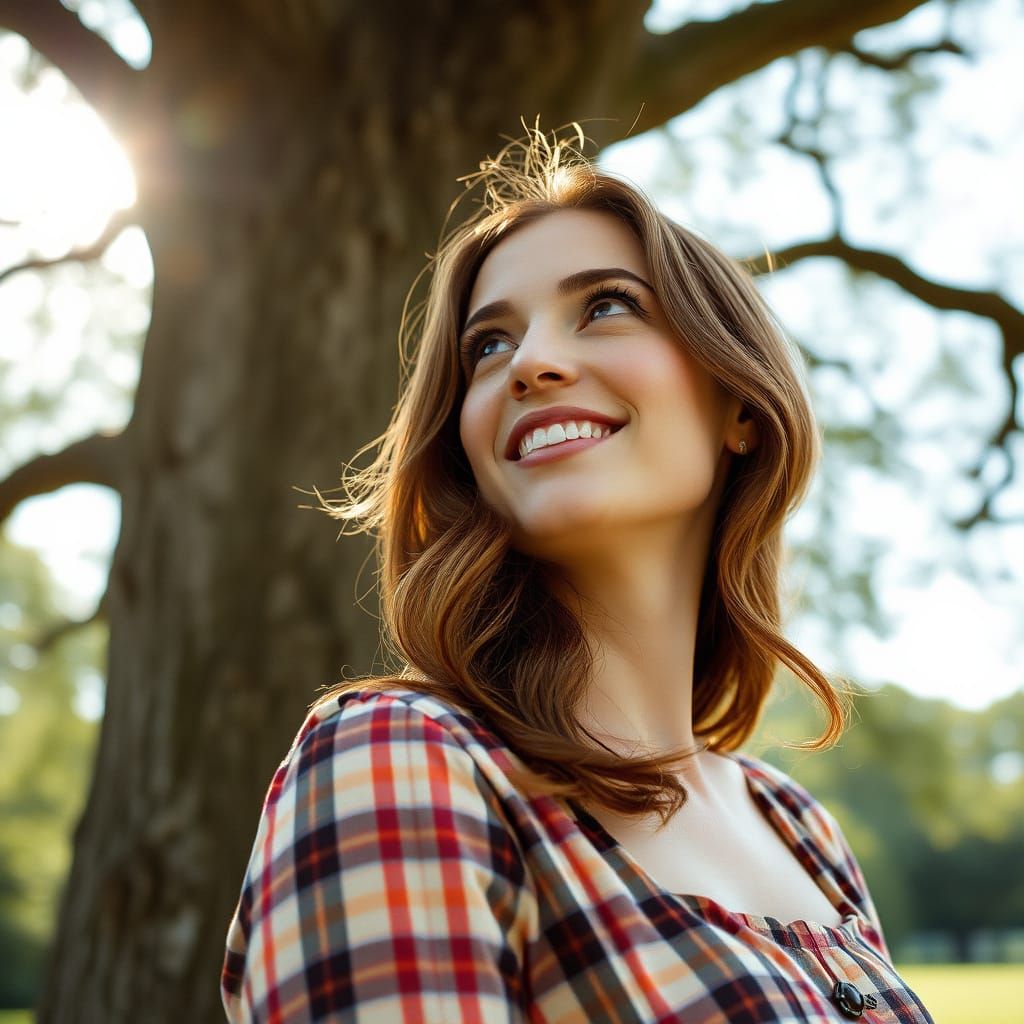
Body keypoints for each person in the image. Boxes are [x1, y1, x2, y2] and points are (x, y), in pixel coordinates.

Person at [221, 125, 936, 1023]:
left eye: (604, 306)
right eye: (487, 347)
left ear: (740, 407)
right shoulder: (401, 759)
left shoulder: (803, 830)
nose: (529, 364)